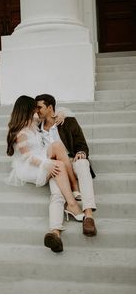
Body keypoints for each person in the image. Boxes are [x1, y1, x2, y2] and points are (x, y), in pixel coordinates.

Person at [6, 95, 84, 252]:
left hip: (41, 155)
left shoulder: (33, 122)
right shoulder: (21, 132)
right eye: (33, 108)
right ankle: (72, 203)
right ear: (27, 110)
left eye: (37, 107)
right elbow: (27, 156)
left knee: (56, 146)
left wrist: (61, 114)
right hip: (31, 165)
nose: (36, 110)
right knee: (58, 165)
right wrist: (45, 164)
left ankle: (72, 192)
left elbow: (57, 111)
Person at [35, 94, 97, 238]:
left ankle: (88, 215)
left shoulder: (67, 121)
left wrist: (81, 152)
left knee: (83, 163)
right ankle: (55, 233)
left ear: (50, 107)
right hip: (56, 166)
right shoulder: (37, 128)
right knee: (56, 193)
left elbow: (81, 142)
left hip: (72, 161)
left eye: (40, 107)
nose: (37, 110)